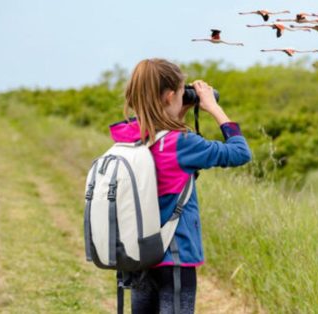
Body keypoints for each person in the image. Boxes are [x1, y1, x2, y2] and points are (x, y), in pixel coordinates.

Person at [107, 58, 252, 313]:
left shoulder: (126, 136)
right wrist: (213, 107)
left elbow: (162, 144)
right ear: (171, 95)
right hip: (175, 257)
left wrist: (178, 113)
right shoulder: (182, 144)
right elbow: (240, 153)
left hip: (137, 254)